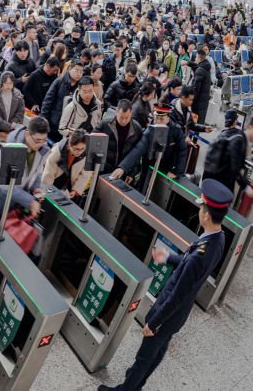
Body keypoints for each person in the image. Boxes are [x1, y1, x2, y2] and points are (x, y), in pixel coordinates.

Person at [99, 180, 229, 391]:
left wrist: (154, 322)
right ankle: (137, 385)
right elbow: (192, 270)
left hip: (167, 314)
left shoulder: (202, 252)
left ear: (206, 215)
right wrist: (169, 257)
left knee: (144, 357)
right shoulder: (218, 239)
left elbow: (178, 293)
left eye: (201, 208)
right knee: (156, 354)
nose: (199, 211)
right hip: (177, 316)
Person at [0, 117, 50, 222]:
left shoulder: (42, 150)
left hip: (17, 201)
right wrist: (30, 201)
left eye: (44, 140)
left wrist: (36, 188)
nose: (40, 144)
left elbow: (38, 171)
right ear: (27, 134)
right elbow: (6, 184)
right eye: (37, 140)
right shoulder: (11, 148)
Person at [112, 105, 187, 187]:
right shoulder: (149, 131)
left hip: (166, 168)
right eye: (156, 118)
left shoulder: (176, 131)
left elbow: (182, 152)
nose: (158, 121)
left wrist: (176, 171)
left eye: (161, 119)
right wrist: (123, 167)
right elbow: (138, 149)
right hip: (148, 166)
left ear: (168, 119)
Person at [42, 129, 93, 202]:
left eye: (82, 149)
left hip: (70, 185)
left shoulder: (87, 154)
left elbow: (85, 175)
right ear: (69, 145)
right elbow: (48, 174)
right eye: (76, 149)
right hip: (56, 180)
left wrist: (75, 190)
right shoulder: (57, 151)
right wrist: (48, 193)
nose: (79, 152)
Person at [100, 100, 144, 175]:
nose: (123, 121)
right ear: (116, 112)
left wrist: (132, 173)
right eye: (121, 117)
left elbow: (136, 153)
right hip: (104, 168)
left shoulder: (137, 129)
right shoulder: (105, 125)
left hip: (123, 170)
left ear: (131, 113)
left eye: (126, 118)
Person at [0, 71, 25, 143]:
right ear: (1, 83)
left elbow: (21, 110)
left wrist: (13, 123)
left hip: (12, 130)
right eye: (6, 83)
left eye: (11, 83)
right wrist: (5, 125)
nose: (8, 86)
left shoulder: (17, 94)